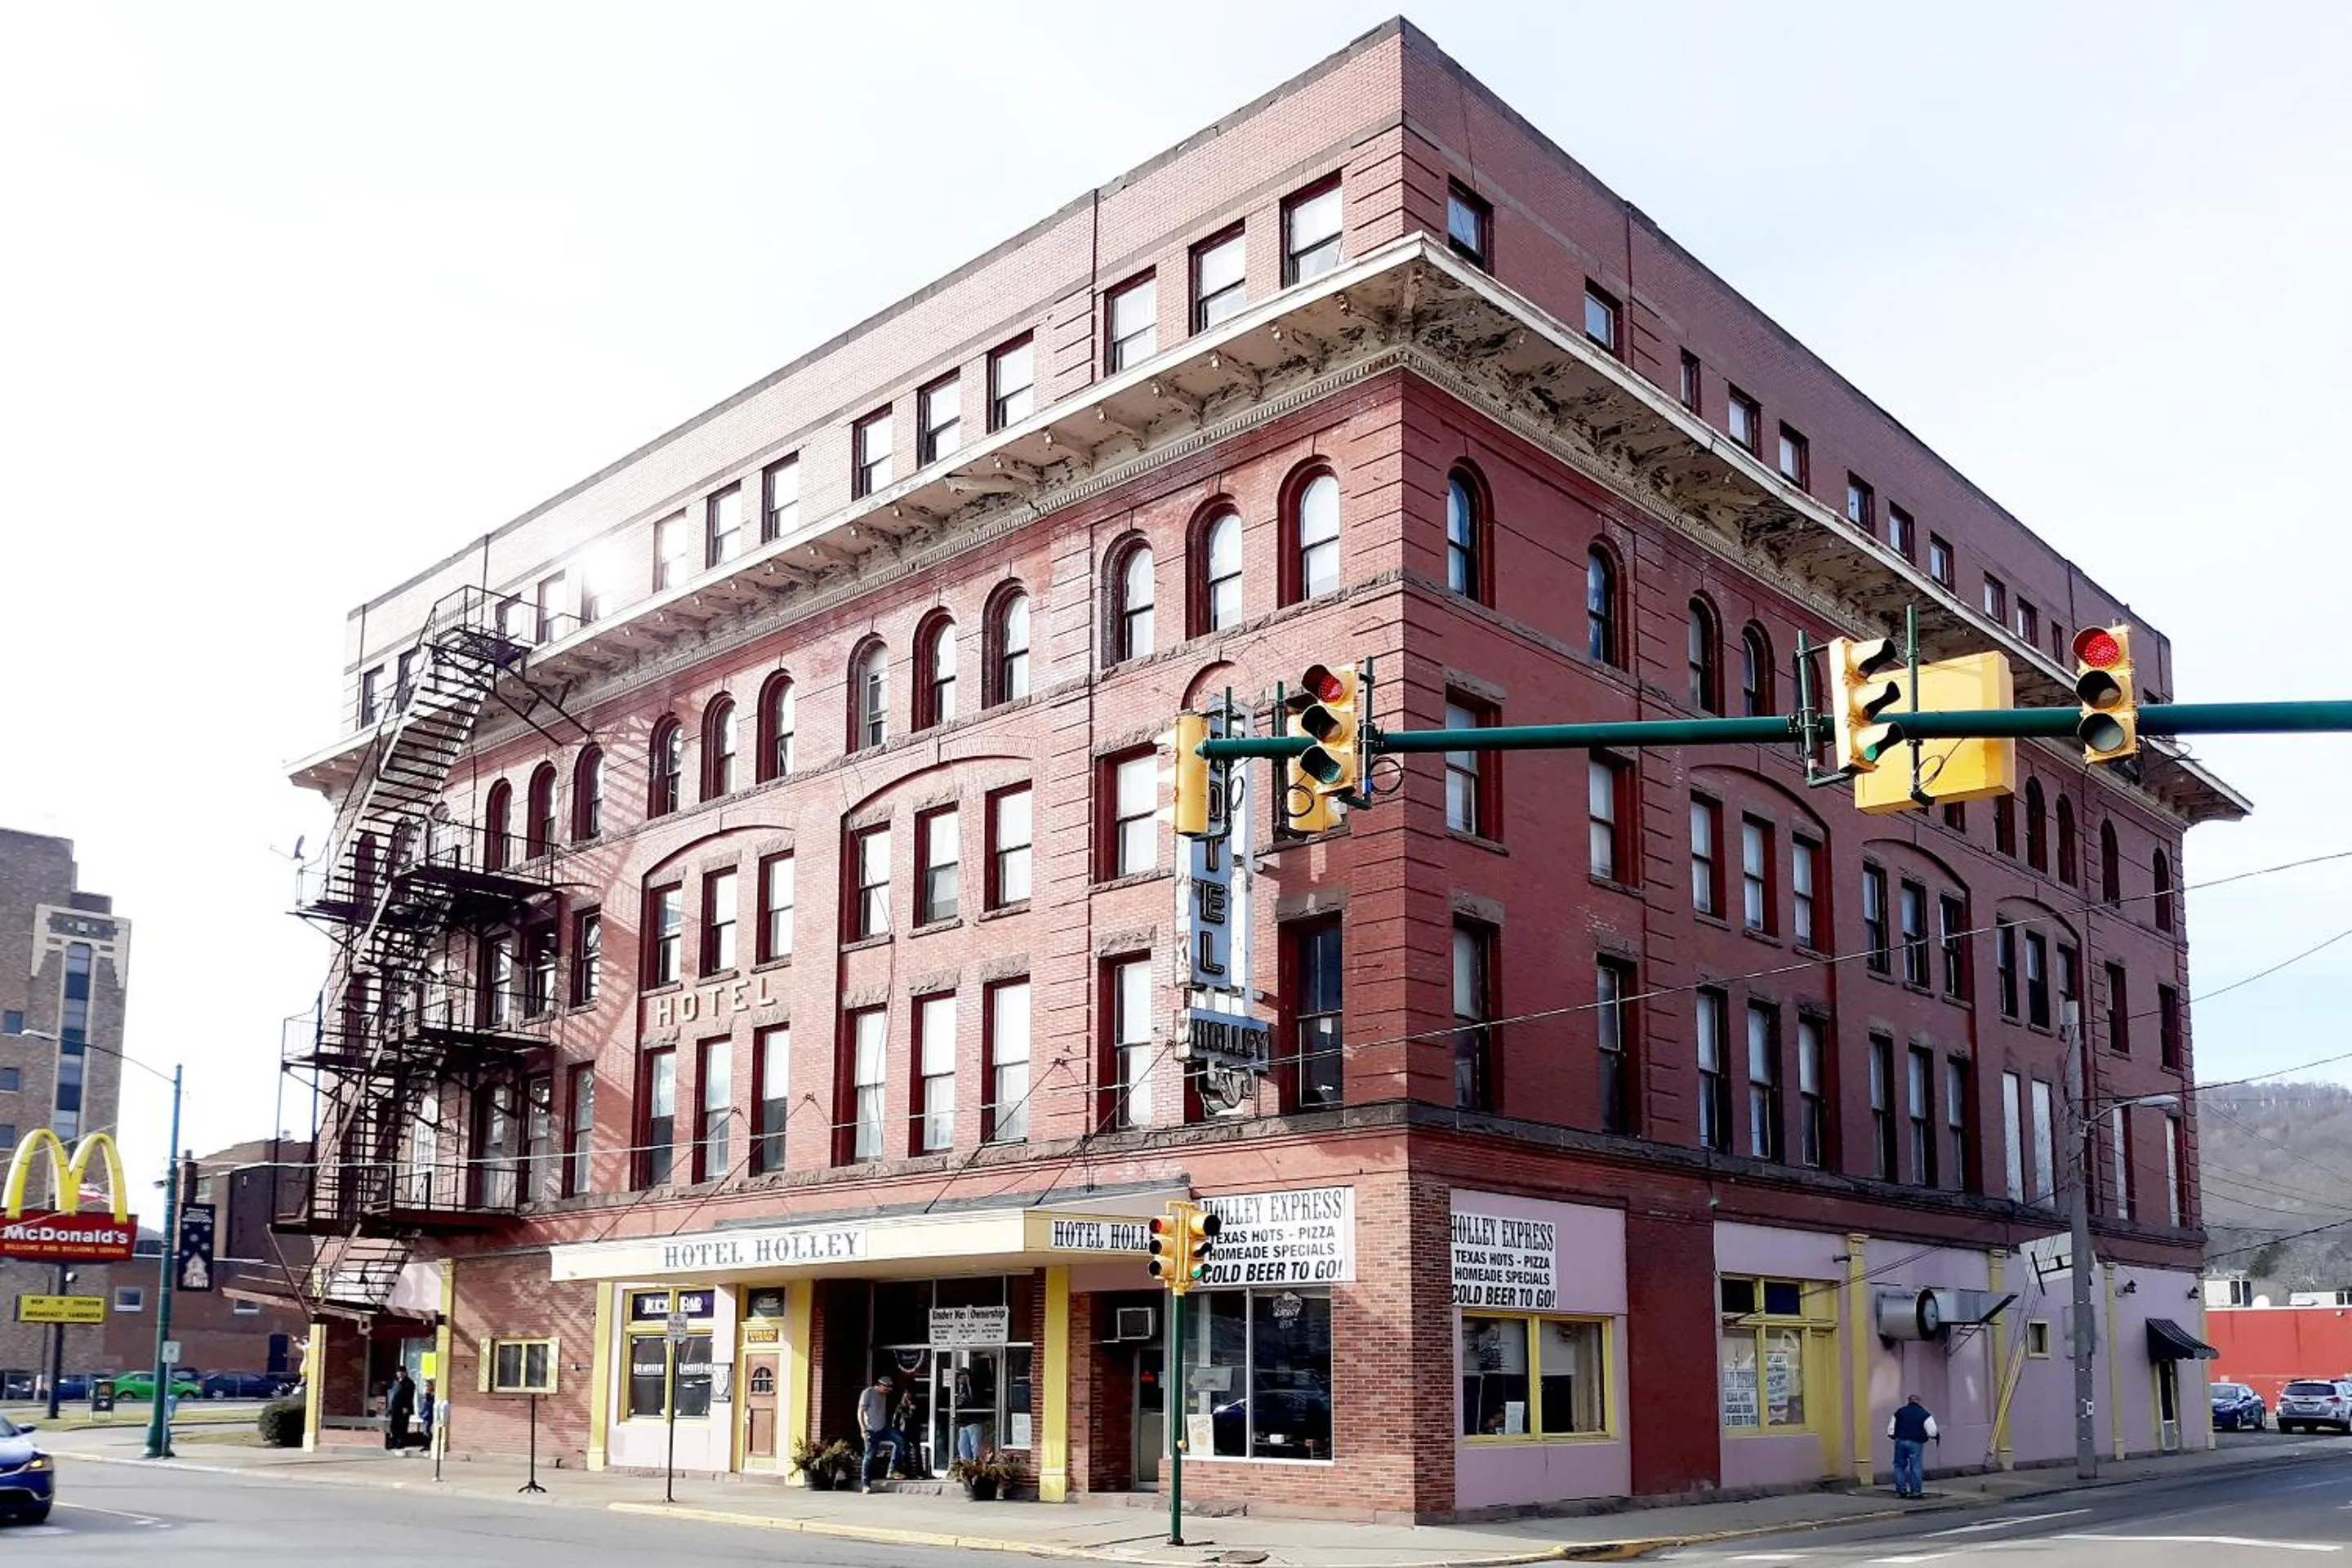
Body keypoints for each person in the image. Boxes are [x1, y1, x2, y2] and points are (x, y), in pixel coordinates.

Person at [1887, 1393, 1940, 1499]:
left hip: (1900, 1440)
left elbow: (1891, 1429)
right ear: (1918, 1402)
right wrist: (1934, 1436)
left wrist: (1894, 1436)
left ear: (1908, 1401)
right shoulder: (1924, 1414)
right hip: (1916, 1442)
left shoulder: (1900, 1412)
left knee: (1899, 1465)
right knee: (1915, 1466)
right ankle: (1915, 1492)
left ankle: (1901, 1490)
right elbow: (1932, 1431)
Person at [858, 1375, 902, 1491]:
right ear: (880, 1385)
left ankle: (892, 1470)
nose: (887, 1392)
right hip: (870, 1429)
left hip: (883, 1429)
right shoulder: (868, 1393)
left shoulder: (884, 1396)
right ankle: (866, 1484)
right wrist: (863, 1429)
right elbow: (860, 1412)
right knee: (869, 1455)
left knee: (900, 1441)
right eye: (886, 1389)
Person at [385, 1368, 416, 1454]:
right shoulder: (395, 1382)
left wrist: (406, 1407)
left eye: (402, 1372)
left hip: (404, 1408)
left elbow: (409, 1396)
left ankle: (401, 1442)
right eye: (398, 1372)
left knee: (402, 1426)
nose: (400, 1374)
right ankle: (394, 1441)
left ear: (405, 1373)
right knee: (393, 1425)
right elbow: (391, 1394)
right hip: (395, 1407)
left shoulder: (409, 1383)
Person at [415, 1377, 437, 1452]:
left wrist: (428, 1396)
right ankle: (426, 1445)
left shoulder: (433, 1395)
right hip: (426, 1415)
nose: (426, 1387)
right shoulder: (427, 1394)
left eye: (427, 1385)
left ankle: (428, 1445)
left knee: (427, 1430)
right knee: (425, 1430)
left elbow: (430, 1405)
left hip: (429, 1415)